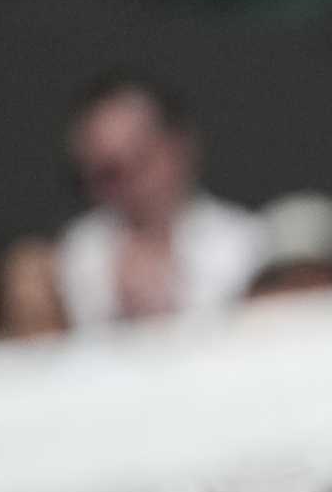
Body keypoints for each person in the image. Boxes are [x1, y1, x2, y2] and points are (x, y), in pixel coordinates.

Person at [56, 75, 263, 330]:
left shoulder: (246, 246)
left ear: (179, 146)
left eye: (141, 160)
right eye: (108, 172)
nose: (129, 184)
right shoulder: (74, 257)